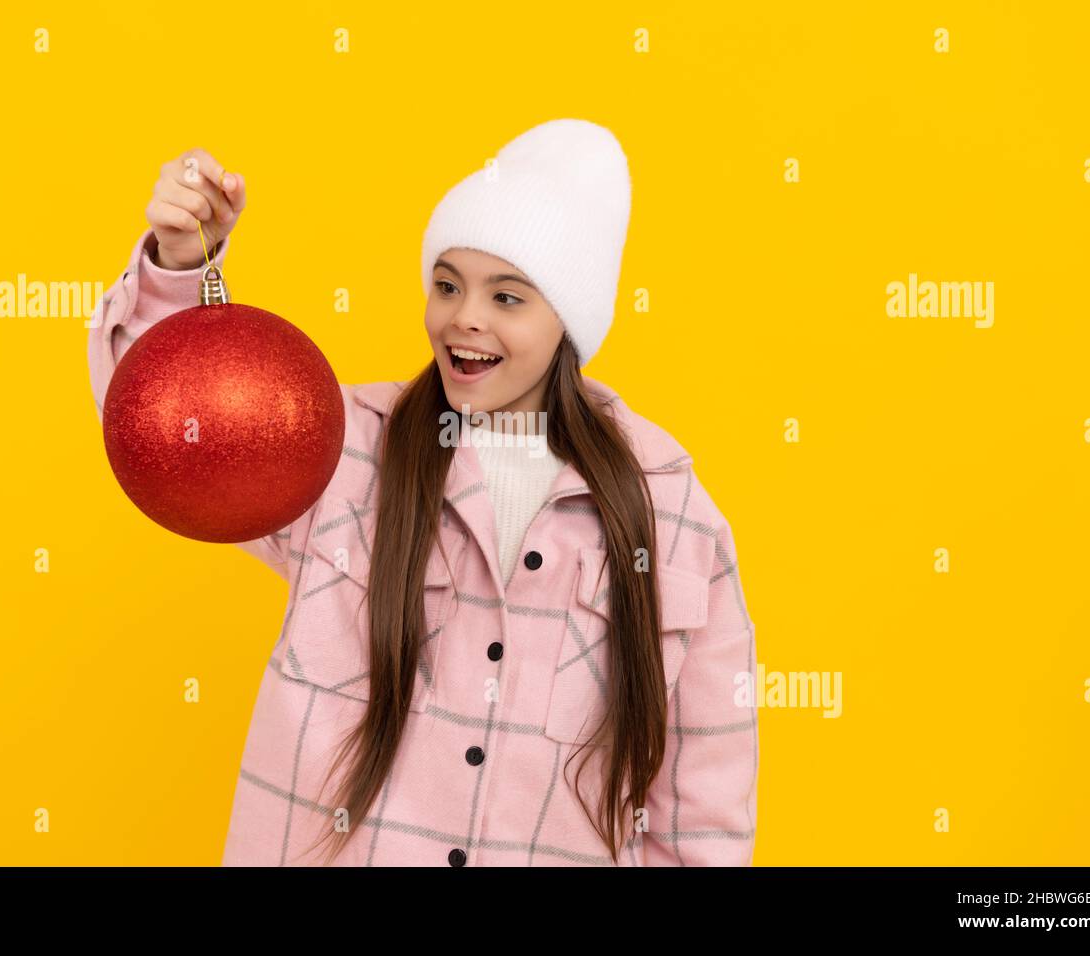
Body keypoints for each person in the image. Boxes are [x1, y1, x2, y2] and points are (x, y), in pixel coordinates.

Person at [87, 118, 757, 866]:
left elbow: (703, 809)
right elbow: (176, 427)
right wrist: (183, 268)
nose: (463, 315)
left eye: (508, 297)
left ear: (568, 321)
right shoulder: (344, 450)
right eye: (447, 285)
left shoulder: (672, 516)